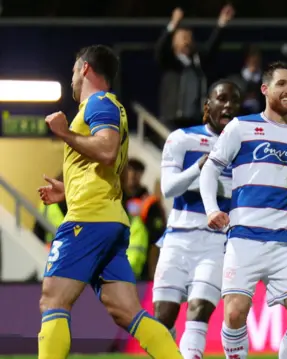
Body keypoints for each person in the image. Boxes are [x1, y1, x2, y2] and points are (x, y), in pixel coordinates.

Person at [37, 45, 181, 359]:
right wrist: (68, 189)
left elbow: (106, 150)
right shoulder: (108, 106)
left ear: (85, 68)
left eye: (74, 70)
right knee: (126, 311)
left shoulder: (98, 102)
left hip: (88, 220)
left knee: (53, 300)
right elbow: (102, 166)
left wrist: (64, 134)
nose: (72, 78)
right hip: (107, 219)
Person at [199, 61, 287, 359]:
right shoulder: (240, 128)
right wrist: (211, 209)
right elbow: (210, 170)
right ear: (265, 89)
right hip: (244, 239)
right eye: (282, 84)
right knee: (234, 314)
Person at [153, 79, 241, 359]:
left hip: (216, 243)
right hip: (178, 238)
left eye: (234, 101)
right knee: (163, 316)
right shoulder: (182, 138)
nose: (228, 105)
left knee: (200, 308)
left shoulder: (243, 147)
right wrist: (199, 168)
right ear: (207, 106)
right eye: (222, 99)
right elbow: (168, 188)